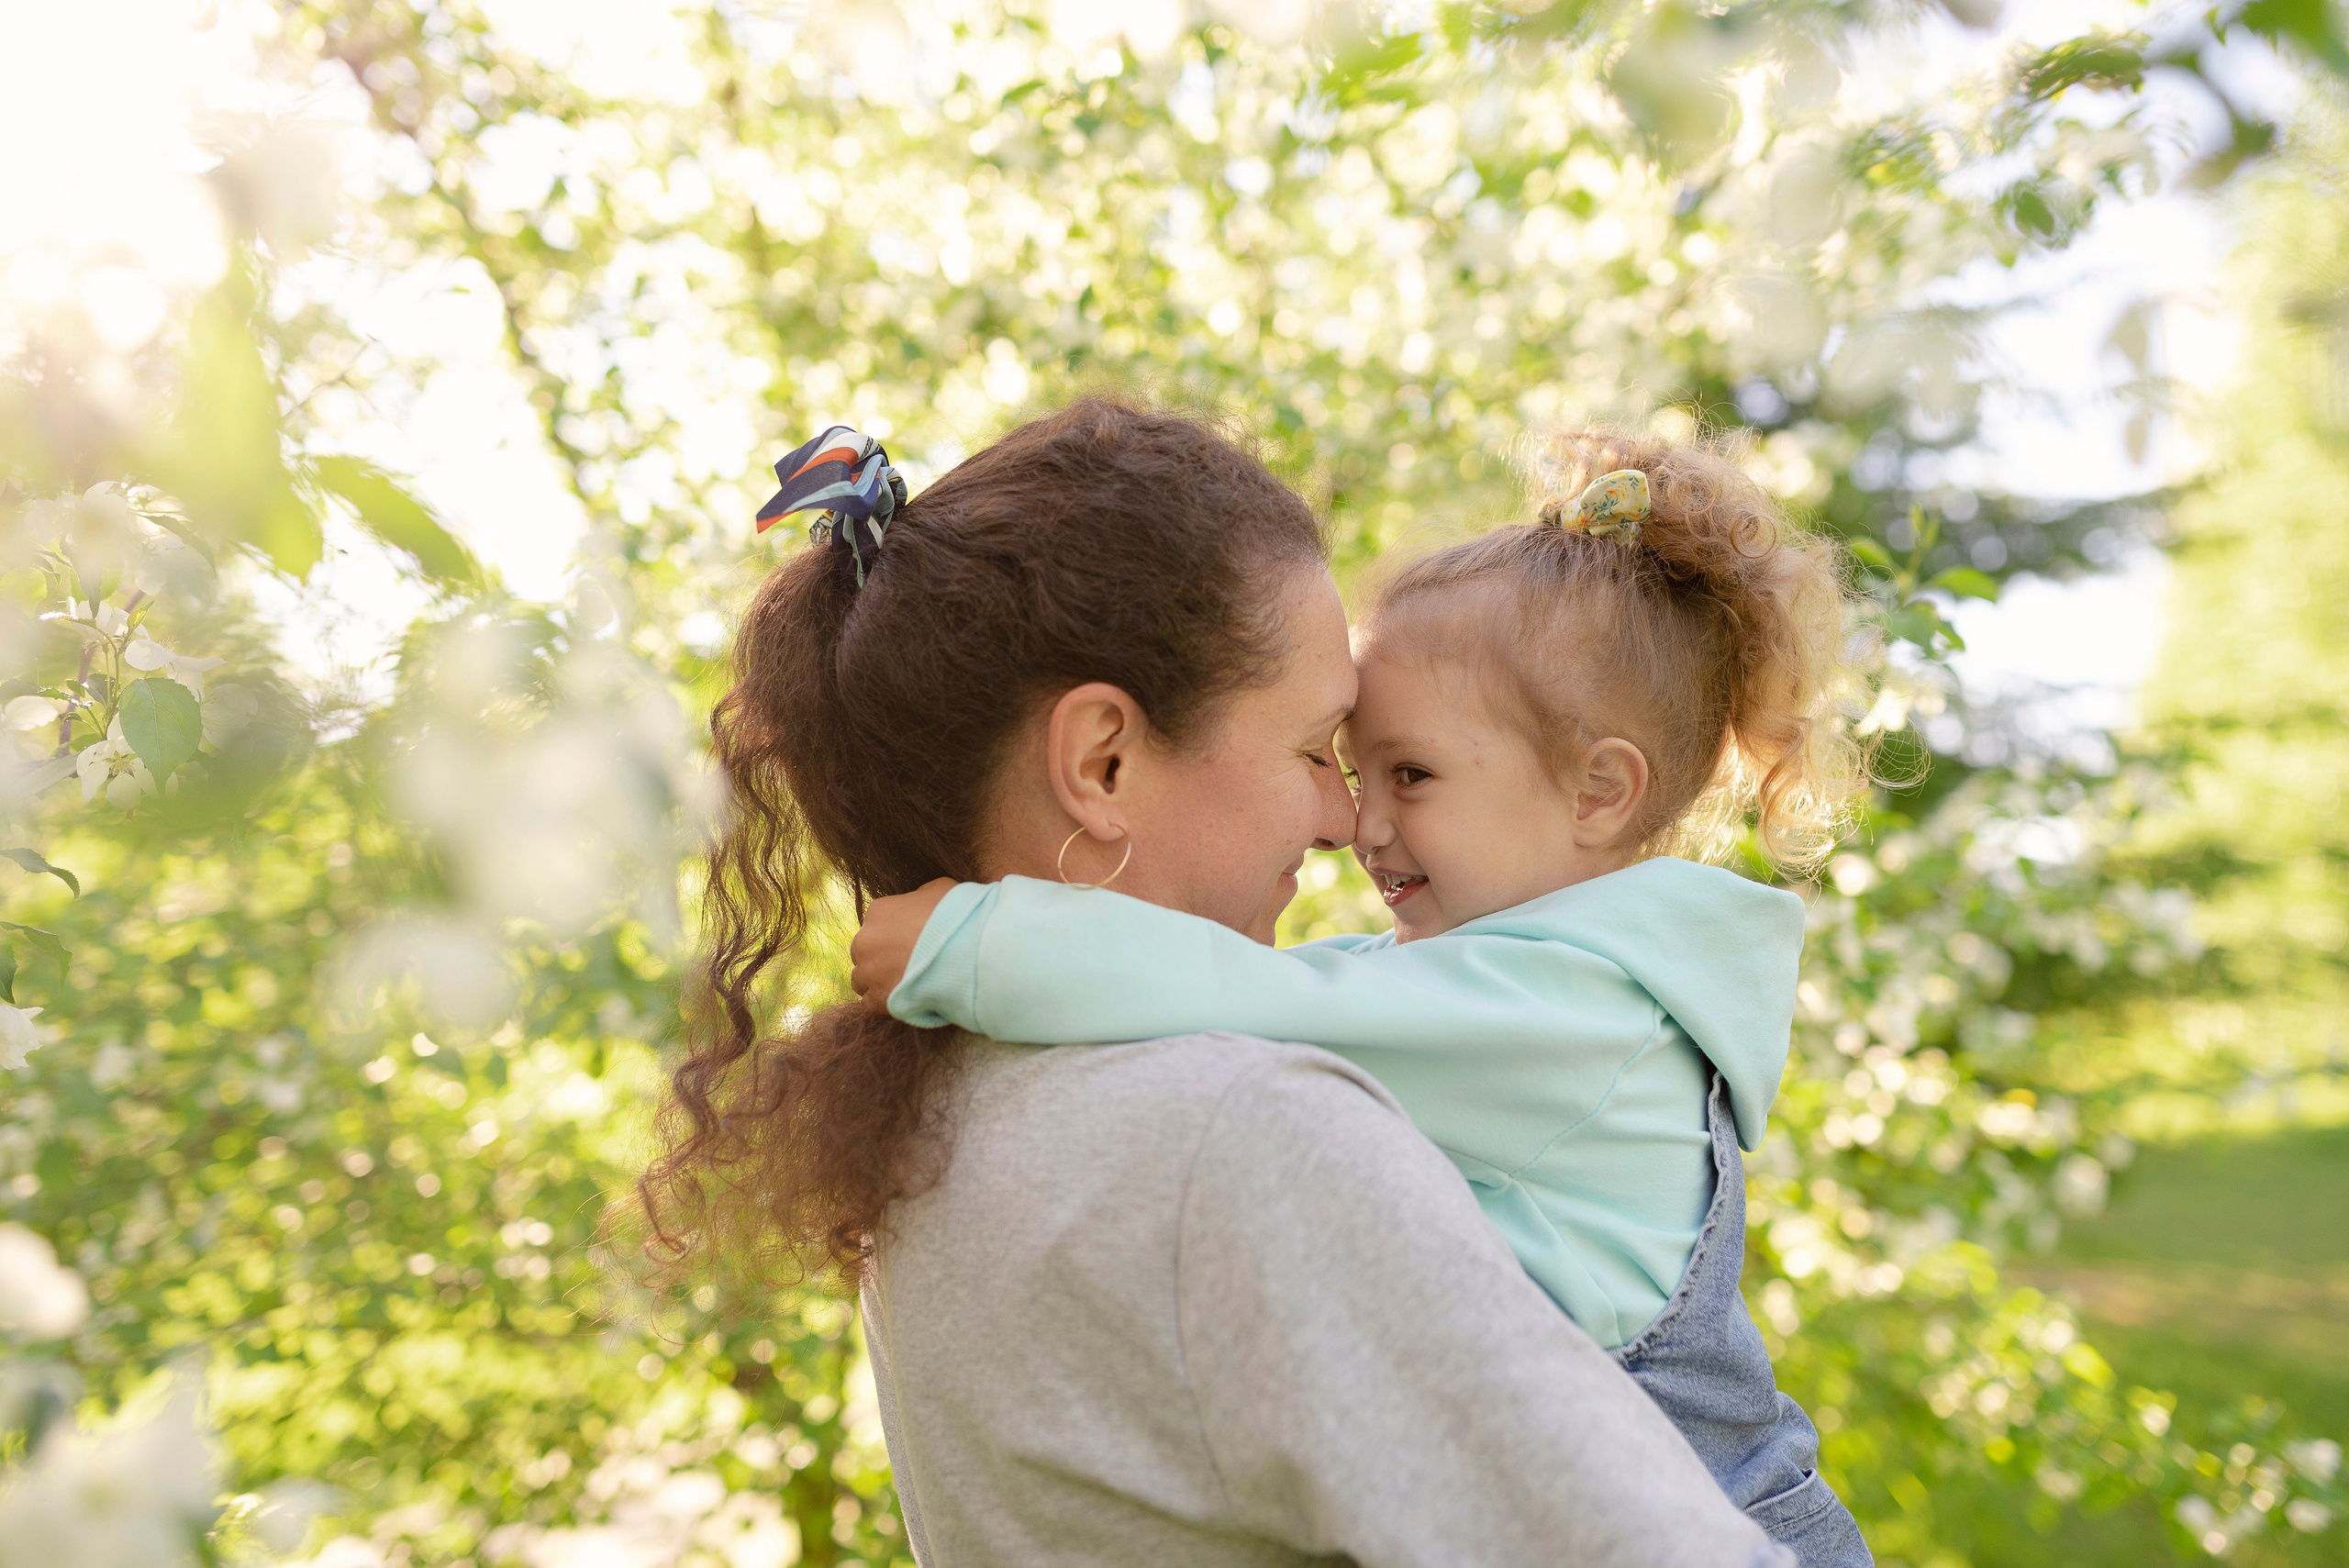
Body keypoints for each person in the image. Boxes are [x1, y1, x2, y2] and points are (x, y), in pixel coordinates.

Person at [640, 399, 1790, 1566]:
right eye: (1317, 751)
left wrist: (985, 947)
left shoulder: (928, 1128)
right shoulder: (1251, 1131)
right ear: (1102, 762)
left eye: (1401, 771)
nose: (1346, 820)